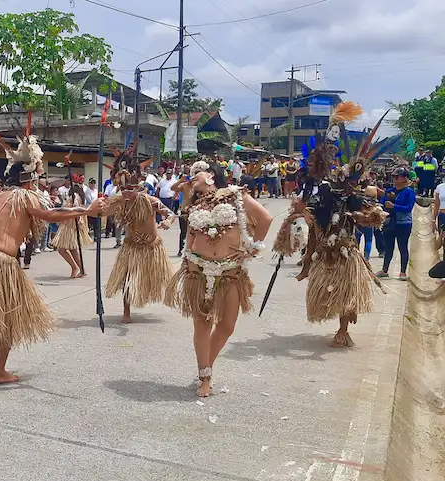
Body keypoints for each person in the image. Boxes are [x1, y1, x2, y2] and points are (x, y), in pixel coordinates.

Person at [0, 134, 104, 383]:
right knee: (10, 316)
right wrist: (85, 210)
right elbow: (49, 214)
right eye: (37, 176)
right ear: (28, 179)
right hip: (2, 263)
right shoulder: (26, 197)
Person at [165, 162, 273, 397]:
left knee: (227, 325)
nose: (193, 177)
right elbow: (190, 235)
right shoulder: (195, 203)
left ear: (212, 175)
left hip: (230, 273)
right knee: (201, 324)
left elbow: (265, 219)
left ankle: (207, 365)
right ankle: (205, 376)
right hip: (198, 272)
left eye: (197, 173)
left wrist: (253, 248)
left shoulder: (236, 196)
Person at [295, 101, 389, 347]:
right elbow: (311, 218)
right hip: (324, 247)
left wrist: (370, 217)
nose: (344, 187)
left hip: (347, 251)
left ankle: (343, 328)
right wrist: (302, 213)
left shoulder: (354, 198)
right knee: (325, 280)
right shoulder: (324, 194)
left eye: (349, 184)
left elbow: (366, 217)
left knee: (347, 291)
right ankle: (307, 269)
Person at [104, 149, 176, 323]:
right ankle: (126, 312)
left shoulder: (150, 201)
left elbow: (170, 214)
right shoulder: (119, 202)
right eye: (123, 189)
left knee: (158, 280)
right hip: (132, 247)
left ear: (138, 187)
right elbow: (101, 212)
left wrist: (167, 221)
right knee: (127, 279)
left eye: (130, 189)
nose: (126, 193)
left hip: (152, 247)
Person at [375, 168, 416, 280]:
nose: (394, 179)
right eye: (393, 176)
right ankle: (385, 270)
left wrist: (394, 205)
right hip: (389, 222)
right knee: (388, 247)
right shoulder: (390, 191)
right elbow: (381, 203)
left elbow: (408, 208)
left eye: (397, 177)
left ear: (405, 179)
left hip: (403, 224)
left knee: (402, 247)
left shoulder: (409, 192)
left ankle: (403, 272)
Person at [51, 179, 92, 278]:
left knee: (62, 249)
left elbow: (75, 211)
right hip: (70, 225)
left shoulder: (75, 198)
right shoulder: (76, 198)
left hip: (69, 226)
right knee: (72, 249)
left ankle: (75, 267)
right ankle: (81, 269)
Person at [433, 178, 445, 258]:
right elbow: (436, 204)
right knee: (442, 239)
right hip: (442, 216)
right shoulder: (440, 187)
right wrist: (433, 219)